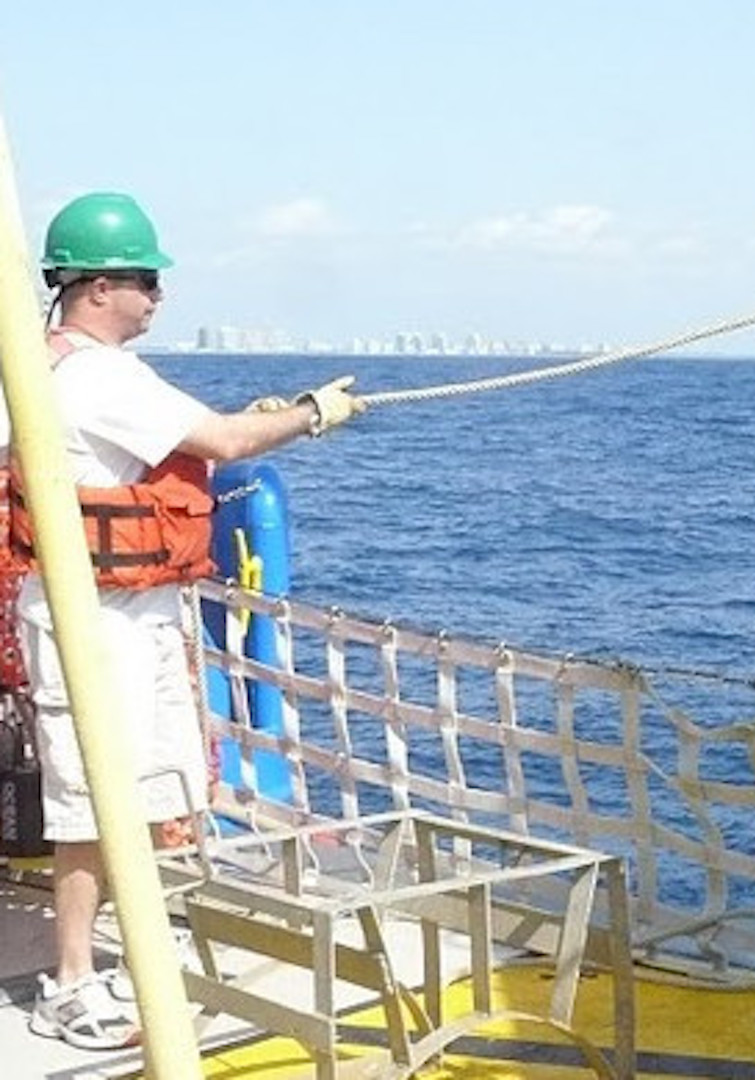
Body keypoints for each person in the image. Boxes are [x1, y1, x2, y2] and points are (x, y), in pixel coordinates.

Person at [8, 191, 366, 1050]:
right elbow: (223, 444)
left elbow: (186, 439)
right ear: (96, 287)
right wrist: (314, 415)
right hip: (98, 627)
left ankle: (124, 949)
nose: (159, 298)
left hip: (125, 615)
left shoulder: (51, 364)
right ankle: (70, 981)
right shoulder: (94, 374)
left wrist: (272, 412)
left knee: (140, 795)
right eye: (146, 280)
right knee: (91, 807)